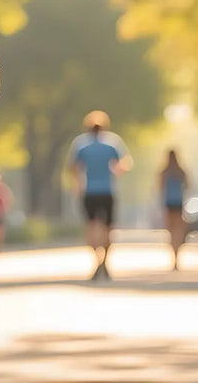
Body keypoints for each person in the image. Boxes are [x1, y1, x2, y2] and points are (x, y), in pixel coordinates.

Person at [70, 110, 131, 281]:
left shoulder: (81, 144)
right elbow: (124, 164)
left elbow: (74, 168)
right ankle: (105, 262)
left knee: (91, 227)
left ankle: (97, 260)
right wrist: (114, 172)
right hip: (107, 190)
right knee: (108, 228)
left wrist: (78, 185)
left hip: (89, 191)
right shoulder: (112, 143)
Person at [159, 150, 189, 271]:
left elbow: (160, 187)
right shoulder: (181, 171)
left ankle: (174, 254)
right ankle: (177, 254)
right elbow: (187, 185)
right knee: (178, 230)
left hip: (169, 203)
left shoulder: (164, 172)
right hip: (178, 202)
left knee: (171, 230)